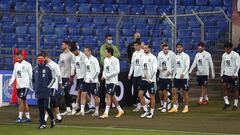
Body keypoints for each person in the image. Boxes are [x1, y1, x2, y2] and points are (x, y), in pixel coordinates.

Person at [32, 53, 55, 129]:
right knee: (41, 108)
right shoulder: (35, 69)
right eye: (39, 58)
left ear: (44, 59)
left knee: (47, 107)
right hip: (38, 92)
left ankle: (52, 119)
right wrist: (34, 88)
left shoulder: (49, 68)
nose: (40, 60)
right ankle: (42, 124)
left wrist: (48, 87)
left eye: (41, 58)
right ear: (37, 60)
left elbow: (53, 79)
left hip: (46, 92)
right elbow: (33, 80)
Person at [100, 47, 124, 119]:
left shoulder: (115, 60)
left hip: (113, 81)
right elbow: (104, 69)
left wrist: (108, 76)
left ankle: (106, 113)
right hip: (107, 81)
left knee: (108, 95)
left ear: (109, 53)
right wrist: (103, 75)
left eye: (106, 52)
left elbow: (117, 71)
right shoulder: (105, 59)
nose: (105, 53)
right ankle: (120, 110)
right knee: (112, 97)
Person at [8, 50, 32, 123]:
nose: (18, 56)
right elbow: (14, 75)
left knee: (20, 101)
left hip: (25, 86)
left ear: (23, 56)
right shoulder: (16, 65)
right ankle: (28, 117)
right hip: (19, 86)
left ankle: (20, 117)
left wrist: (29, 84)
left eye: (20, 55)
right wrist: (10, 83)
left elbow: (31, 75)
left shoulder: (27, 64)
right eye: (17, 55)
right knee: (24, 101)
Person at [78, 46, 100, 117]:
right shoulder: (85, 59)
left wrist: (93, 78)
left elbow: (97, 71)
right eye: (84, 51)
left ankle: (96, 111)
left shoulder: (94, 60)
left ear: (90, 51)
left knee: (95, 96)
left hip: (93, 81)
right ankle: (82, 111)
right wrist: (84, 78)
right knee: (83, 94)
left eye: (86, 51)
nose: (85, 52)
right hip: (86, 81)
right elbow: (84, 70)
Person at [168, 43, 190, 113]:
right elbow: (174, 67)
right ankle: (174, 107)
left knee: (185, 92)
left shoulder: (186, 56)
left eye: (180, 47)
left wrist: (183, 73)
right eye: (178, 47)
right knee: (174, 91)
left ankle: (186, 107)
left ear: (182, 48)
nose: (179, 48)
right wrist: (172, 75)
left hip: (184, 77)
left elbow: (187, 66)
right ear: (176, 48)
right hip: (176, 77)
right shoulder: (176, 57)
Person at [42, 52, 63, 123]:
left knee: (48, 102)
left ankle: (45, 119)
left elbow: (59, 75)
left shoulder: (54, 65)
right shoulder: (44, 65)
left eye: (43, 58)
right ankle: (59, 118)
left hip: (53, 86)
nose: (42, 59)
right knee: (54, 102)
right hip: (46, 86)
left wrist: (60, 85)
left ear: (46, 57)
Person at [139, 44, 157, 119]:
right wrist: (143, 75)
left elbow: (154, 70)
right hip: (144, 79)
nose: (144, 49)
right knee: (140, 95)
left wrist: (150, 78)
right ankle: (146, 110)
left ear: (149, 49)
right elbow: (141, 67)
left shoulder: (153, 57)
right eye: (144, 48)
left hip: (151, 80)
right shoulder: (142, 57)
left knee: (152, 97)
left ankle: (151, 112)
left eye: (146, 48)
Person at [157, 41, 176, 111]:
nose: (166, 50)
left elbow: (174, 66)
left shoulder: (172, 54)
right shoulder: (159, 54)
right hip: (161, 76)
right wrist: (161, 69)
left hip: (168, 77)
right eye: (165, 49)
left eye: (167, 49)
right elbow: (157, 66)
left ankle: (165, 106)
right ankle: (165, 103)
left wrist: (171, 72)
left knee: (166, 91)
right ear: (162, 49)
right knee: (160, 92)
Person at [221, 42, 240, 111]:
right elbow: (222, 65)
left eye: (228, 48)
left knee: (235, 89)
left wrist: (235, 74)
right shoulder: (224, 55)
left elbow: (238, 65)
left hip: (233, 75)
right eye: (226, 48)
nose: (227, 49)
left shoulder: (236, 55)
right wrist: (221, 74)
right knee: (223, 87)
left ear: (231, 48)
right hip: (226, 74)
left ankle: (235, 104)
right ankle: (227, 102)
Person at [69, 42, 86, 115]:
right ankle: (78, 107)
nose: (73, 53)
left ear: (76, 50)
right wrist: (72, 75)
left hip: (83, 77)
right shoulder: (74, 56)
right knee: (80, 92)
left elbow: (86, 67)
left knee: (81, 92)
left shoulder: (83, 56)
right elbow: (74, 66)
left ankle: (77, 107)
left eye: (74, 51)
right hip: (78, 77)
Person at [59, 41, 75, 115]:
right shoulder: (61, 55)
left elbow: (73, 65)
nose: (62, 45)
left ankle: (74, 105)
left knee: (65, 91)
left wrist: (71, 75)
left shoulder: (71, 55)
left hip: (68, 76)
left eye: (63, 44)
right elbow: (60, 66)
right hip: (62, 76)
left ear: (67, 45)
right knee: (65, 93)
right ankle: (68, 109)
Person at [128, 41, 144, 112]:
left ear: (140, 46)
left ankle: (139, 105)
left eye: (136, 45)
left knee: (140, 90)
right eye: (134, 46)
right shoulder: (134, 53)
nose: (135, 47)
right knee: (135, 90)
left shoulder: (143, 52)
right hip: (135, 75)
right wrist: (130, 74)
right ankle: (141, 104)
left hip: (141, 75)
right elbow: (132, 64)